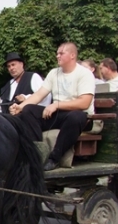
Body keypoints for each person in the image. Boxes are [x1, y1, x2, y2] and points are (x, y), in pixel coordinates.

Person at [9, 42, 95, 171]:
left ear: (72, 55)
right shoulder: (54, 73)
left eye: (61, 53)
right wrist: (20, 107)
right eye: (57, 53)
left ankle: (54, 158)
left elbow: (84, 103)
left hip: (80, 116)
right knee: (29, 110)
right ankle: (37, 153)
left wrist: (57, 105)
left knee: (76, 116)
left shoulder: (84, 74)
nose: (57, 56)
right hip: (58, 115)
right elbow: (39, 95)